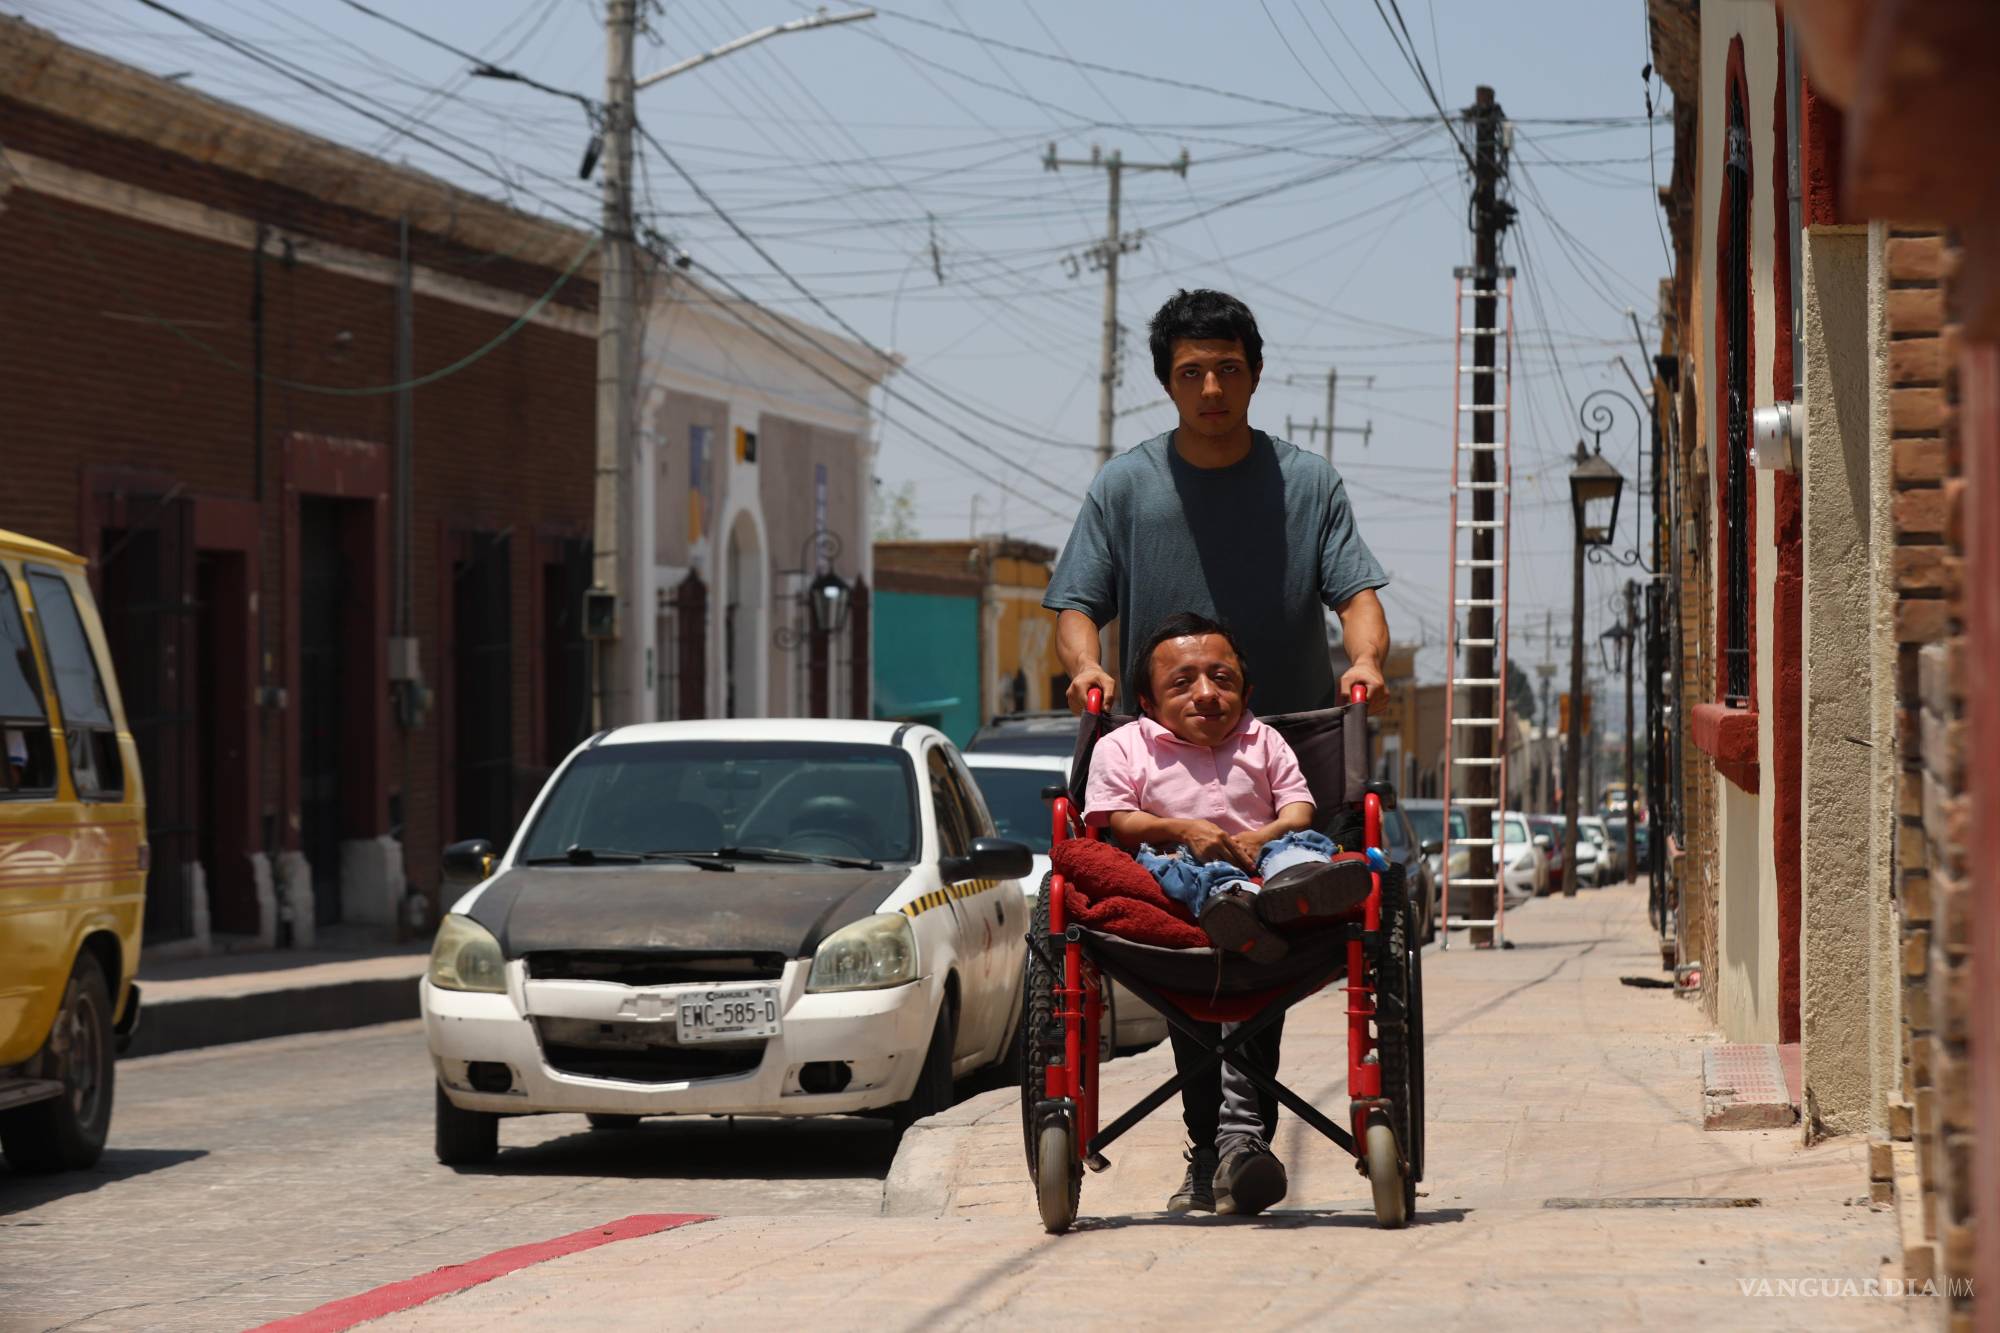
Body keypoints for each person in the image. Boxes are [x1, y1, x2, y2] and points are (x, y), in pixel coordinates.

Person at [1042, 288, 1390, 1218]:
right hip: (1161, 766)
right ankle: (1226, 1141)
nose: (1210, 387)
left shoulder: (1306, 484)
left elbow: (1355, 590)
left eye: (1227, 369)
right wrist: (1086, 674)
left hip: (1279, 761)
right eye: (1191, 371)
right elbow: (1078, 608)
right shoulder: (1127, 487)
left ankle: (1227, 1143)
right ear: (1167, 381)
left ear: (1254, 375)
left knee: (1264, 925)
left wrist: (1363, 659)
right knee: (1209, 940)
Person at [1085, 613, 1371, 968]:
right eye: (1182, 683)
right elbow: (1122, 822)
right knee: (1196, 877)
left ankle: (1301, 885)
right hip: (1179, 855)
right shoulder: (1121, 746)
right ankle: (1245, 912)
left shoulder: (1264, 739)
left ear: (1245, 693)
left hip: (1266, 848)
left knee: (1294, 848)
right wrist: (1185, 829)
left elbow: (1298, 808)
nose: (1206, 694)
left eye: (1221, 680)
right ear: (1148, 701)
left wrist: (1265, 834)